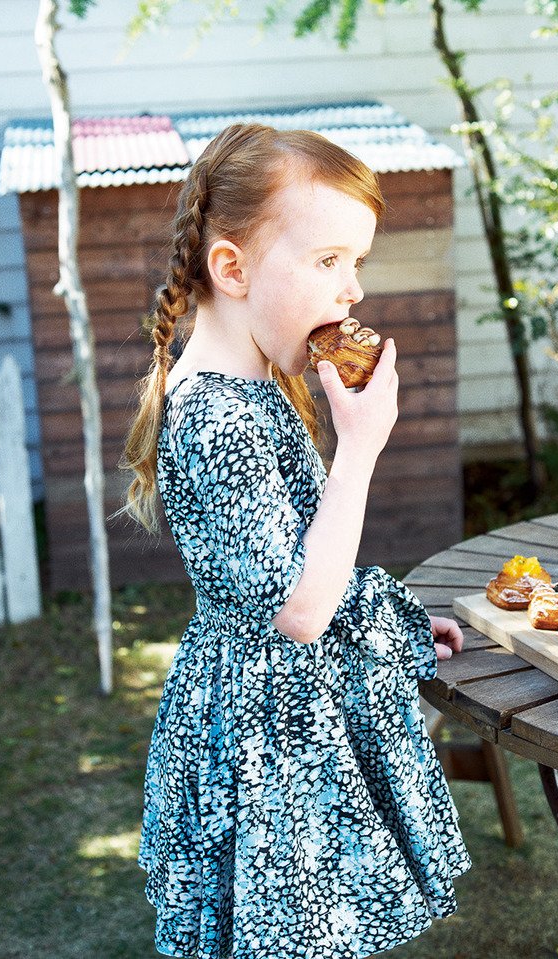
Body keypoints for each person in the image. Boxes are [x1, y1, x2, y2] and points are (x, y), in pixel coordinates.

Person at [122, 122, 471, 959]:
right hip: (264, 744)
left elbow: (308, 559)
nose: (351, 291)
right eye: (327, 261)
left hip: (284, 715)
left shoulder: (250, 389)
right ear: (232, 269)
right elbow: (301, 608)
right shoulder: (215, 412)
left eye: (358, 263)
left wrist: (389, 623)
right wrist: (360, 450)